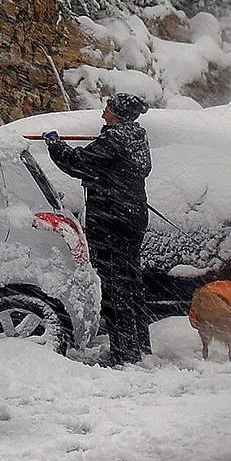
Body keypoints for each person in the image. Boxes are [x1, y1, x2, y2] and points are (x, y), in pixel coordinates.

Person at [43, 93, 152, 365]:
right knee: (131, 282)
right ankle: (140, 346)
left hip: (112, 221)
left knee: (116, 287)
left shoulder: (114, 140)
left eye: (109, 110)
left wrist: (55, 145)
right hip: (132, 218)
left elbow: (78, 163)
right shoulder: (136, 137)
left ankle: (124, 354)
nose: (104, 114)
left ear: (119, 114)